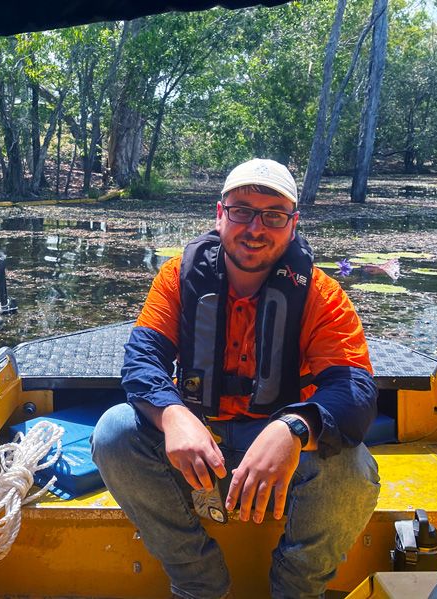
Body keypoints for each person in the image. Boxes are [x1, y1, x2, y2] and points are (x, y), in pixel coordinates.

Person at [91, 158, 380, 599]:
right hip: (198, 444)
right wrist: (172, 415)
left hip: (277, 450)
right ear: (220, 213)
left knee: (354, 469)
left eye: (273, 215)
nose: (255, 228)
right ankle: (199, 583)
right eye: (242, 210)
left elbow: (354, 392)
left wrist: (294, 428)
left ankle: (297, 590)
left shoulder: (322, 295)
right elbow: (141, 361)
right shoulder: (177, 277)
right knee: (114, 432)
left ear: (292, 224)